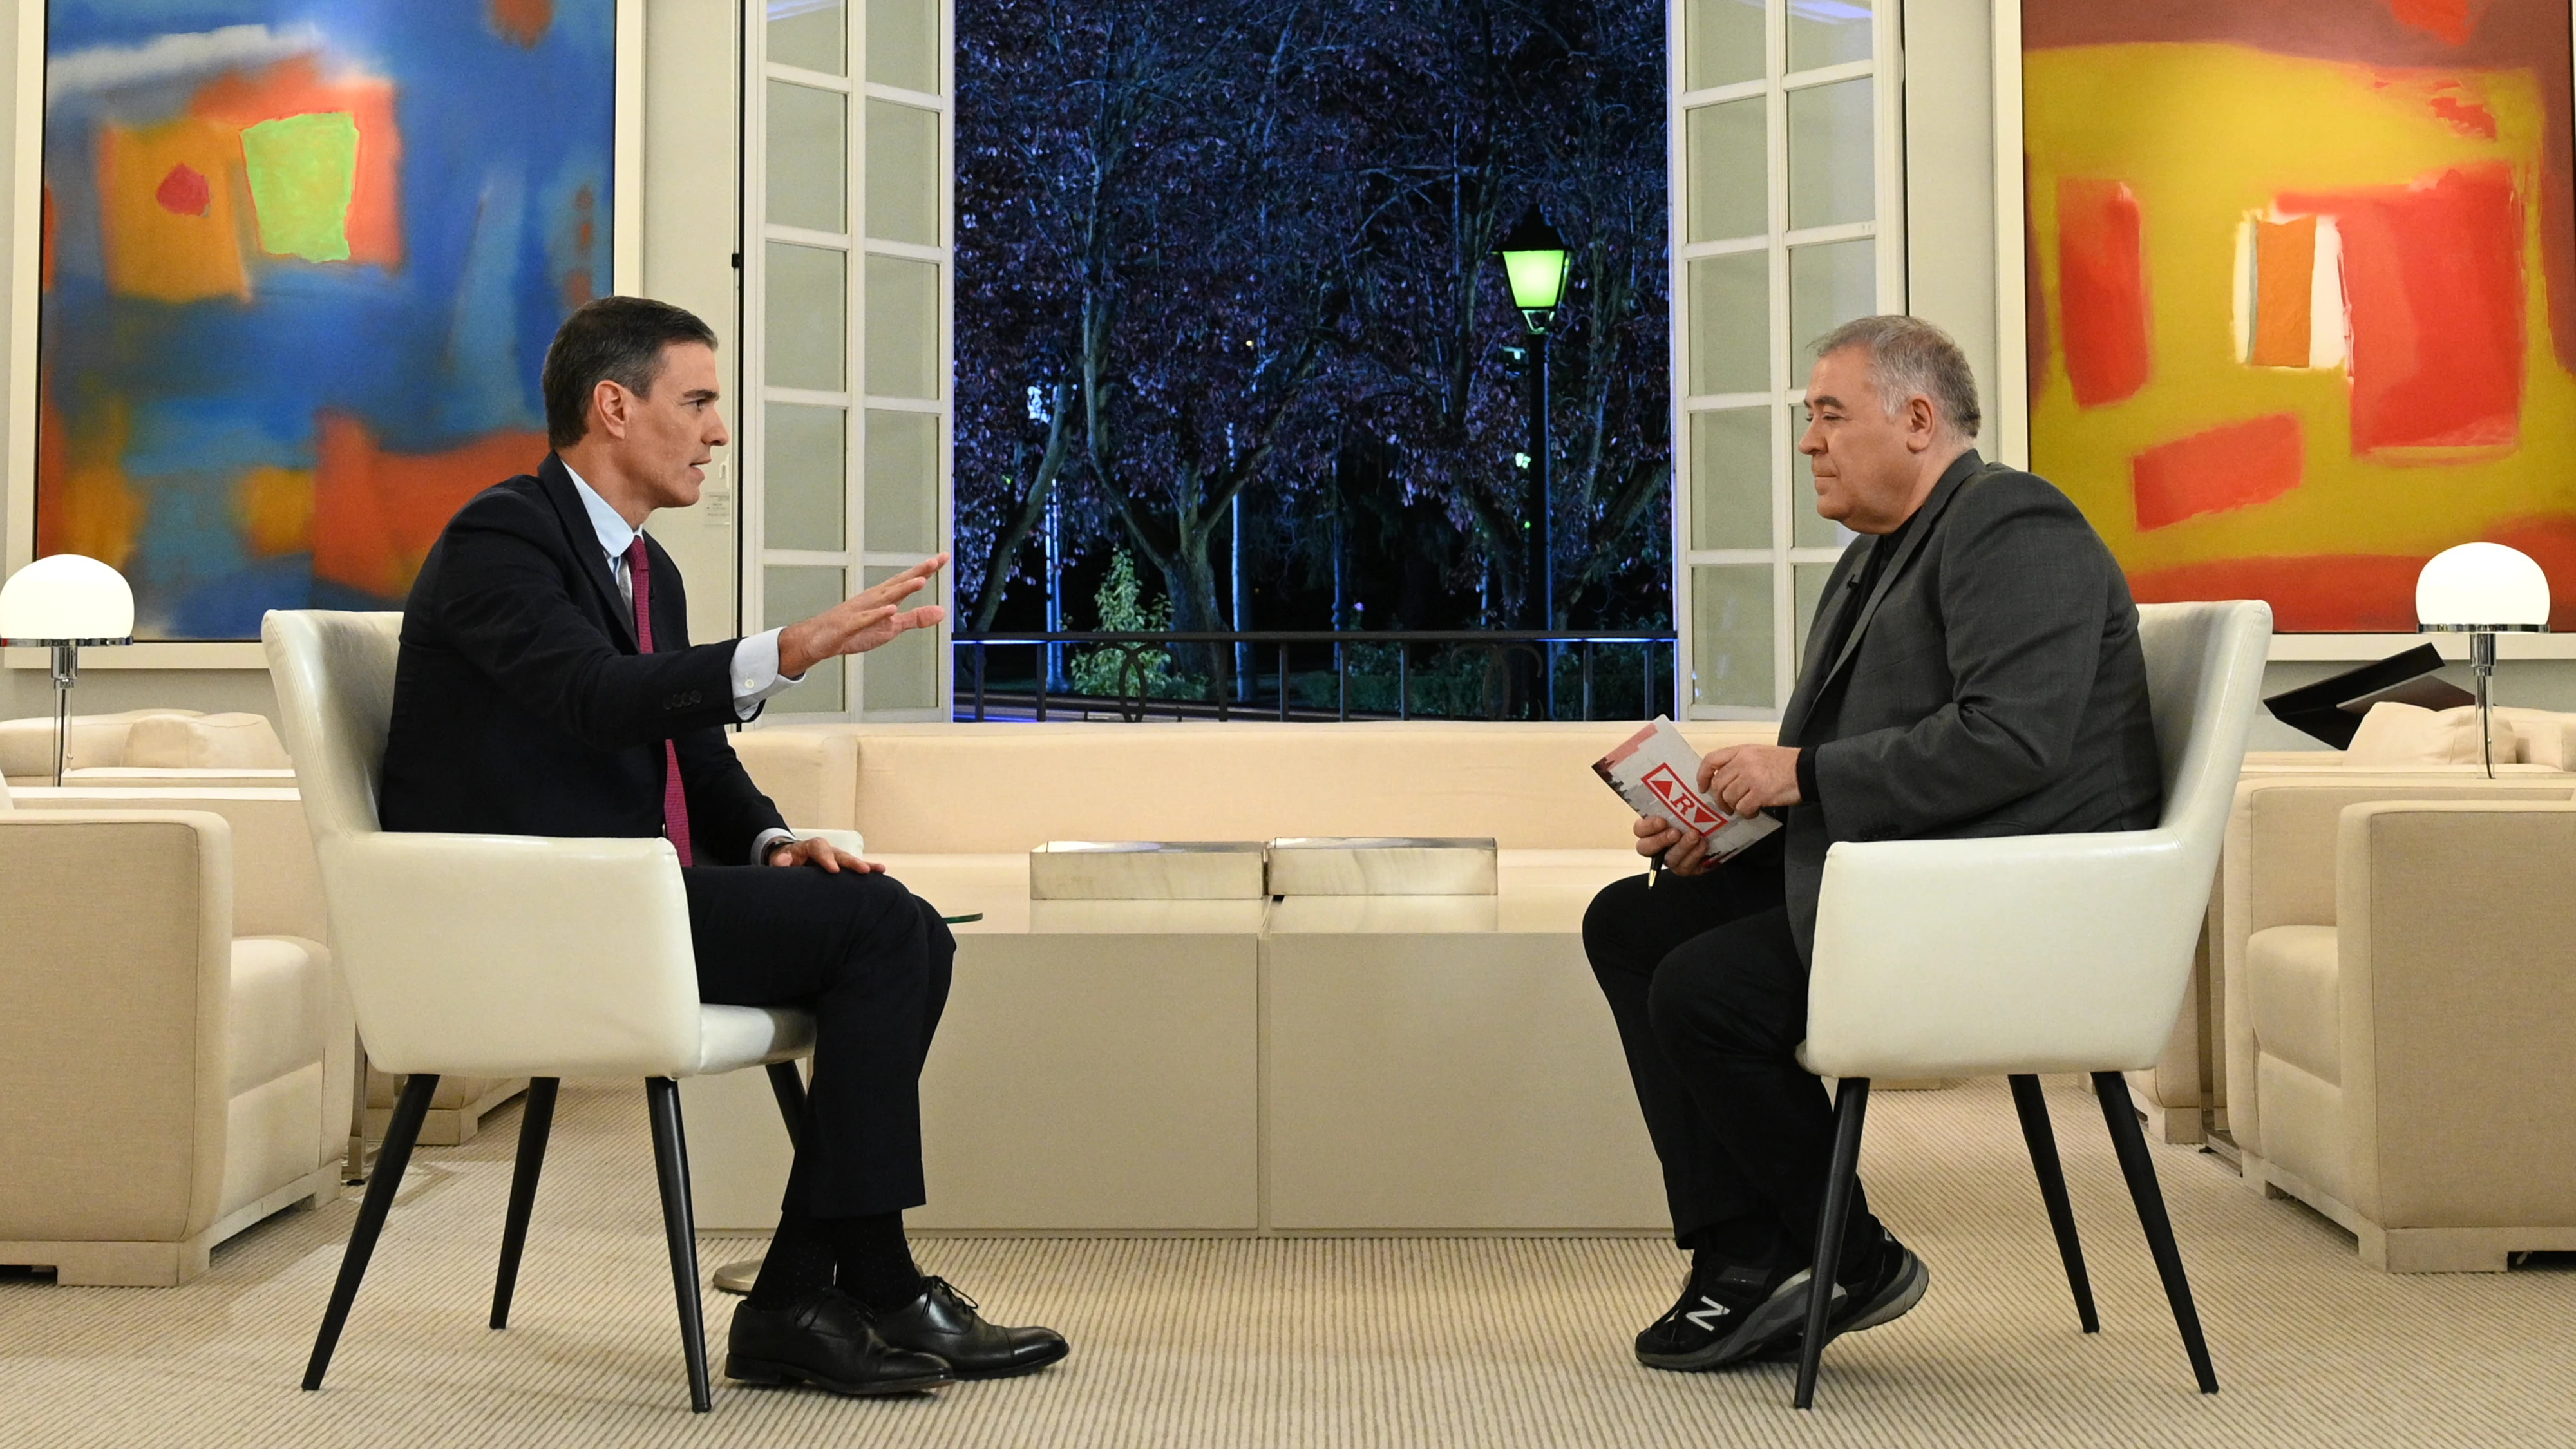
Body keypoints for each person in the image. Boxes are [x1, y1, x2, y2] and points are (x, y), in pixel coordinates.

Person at [380, 295, 1067, 1397]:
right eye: (698, 400)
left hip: (626, 897)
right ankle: (855, 1284)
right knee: (890, 936)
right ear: (614, 406)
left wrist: (777, 841)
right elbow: (592, 696)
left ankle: (816, 1286)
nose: (719, 430)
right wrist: (787, 648)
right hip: (531, 911)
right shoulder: (500, 538)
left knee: (900, 927)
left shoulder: (652, 575)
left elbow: (697, 761)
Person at [1582, 314, 2162, 1371]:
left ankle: (1846, 1252)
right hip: (1901, 878)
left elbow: (2012, 739)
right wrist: (1732, 830)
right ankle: (1745, 1252)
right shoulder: (1878, 558)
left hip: (1998, 906)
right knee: (1632, 922)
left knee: (1702, 991)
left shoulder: (2012, 523)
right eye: (1811, 420)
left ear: (1918, 418)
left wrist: (1795, 774)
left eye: (1830, 415)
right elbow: (1853, 768)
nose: (1810, 441)